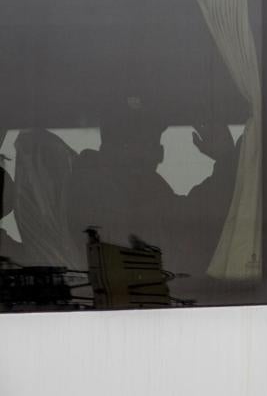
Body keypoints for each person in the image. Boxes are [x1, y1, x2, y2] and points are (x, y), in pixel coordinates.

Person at [65, 101, 238, 279]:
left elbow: (192, 216)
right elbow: (179, 243)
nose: (157, 156)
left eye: (156, 147)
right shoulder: (95, 195)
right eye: (151, 145)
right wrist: (227, 161)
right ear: (120, 147)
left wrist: (226, 161)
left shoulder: (142, 187)